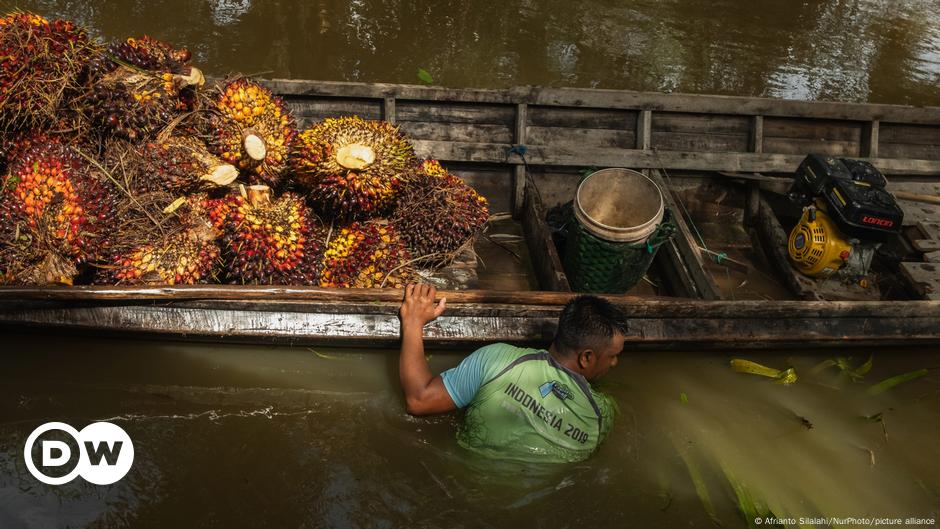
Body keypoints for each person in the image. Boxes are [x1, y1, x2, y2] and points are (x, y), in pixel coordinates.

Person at [398, 283, 626, 463]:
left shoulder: (498, 359)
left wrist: (413, 322)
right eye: (613, 355)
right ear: (586, 357)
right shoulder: (601, 416)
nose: (615, 363)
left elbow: (419, 401)